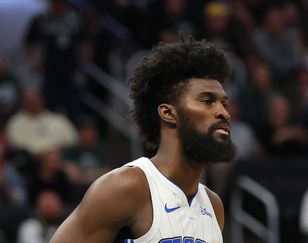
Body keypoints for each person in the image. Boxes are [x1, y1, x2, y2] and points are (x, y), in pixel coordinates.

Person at [50, 36, 235, 242]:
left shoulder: (213, 205)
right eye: (207, 101)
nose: (224, 113)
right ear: (168, 113)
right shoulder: (127, 186)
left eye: (224, 104)